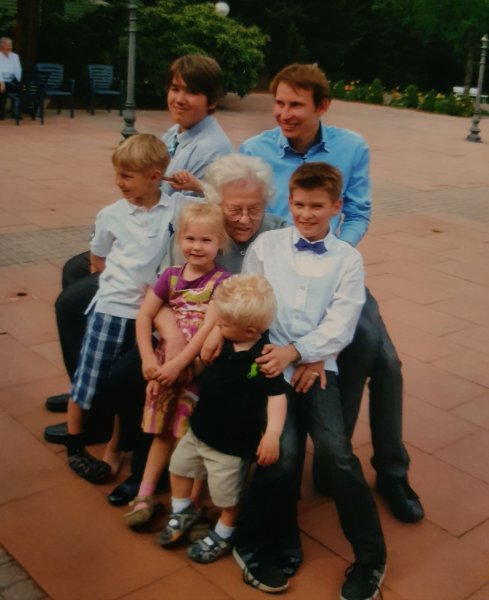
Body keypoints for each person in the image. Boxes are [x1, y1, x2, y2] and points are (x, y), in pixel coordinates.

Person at [240, 62, 424, 525]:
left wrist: (335, 255)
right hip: (278, 275)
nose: (284, 114)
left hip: (332, 267)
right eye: (279, 103)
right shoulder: (254, 150)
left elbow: (358, 211)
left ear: (321, 106)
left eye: (296, 105)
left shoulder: (351, 147)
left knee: (384, 358)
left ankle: (391, 471)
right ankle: (319, 457)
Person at [43, 54, 233, 455]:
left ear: (212, 101)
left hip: (169, 254)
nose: (179, 98)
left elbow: (207, 210)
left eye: (191, 92)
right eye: (175, 89)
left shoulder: (213, 148)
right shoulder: (176, 132)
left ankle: (95, 406)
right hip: (148, 233)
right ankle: (87, 382)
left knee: (71, 302)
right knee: (76, 271)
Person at [233, 162, 386, 600]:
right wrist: (281, 353)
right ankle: (251, 541)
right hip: (269, 364)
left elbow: (343, 320)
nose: (306, 214)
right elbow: (250, 301)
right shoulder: (267, 246)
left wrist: (306, 353)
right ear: (290, 201)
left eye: (317, 206)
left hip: (318, 366)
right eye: (299, 204)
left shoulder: (348, 260)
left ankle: (371, 558)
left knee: (338, 455)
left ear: (336, 207)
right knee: (282, 455)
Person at [110, 153, 289, 507]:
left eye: (254, 209)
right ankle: (143, 466)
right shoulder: (197, 229)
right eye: (235, 209)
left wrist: (216, 333)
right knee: (124, 377)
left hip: (236, 340)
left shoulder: (278, 232)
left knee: (216, 389)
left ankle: (199, 485)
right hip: (179, 333)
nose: (244, 219)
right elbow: (158, 294)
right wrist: (175, 337)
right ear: (216, 203)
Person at [63, 133, 180, 483]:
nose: (119, 182)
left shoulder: (176, 208)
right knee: (88, 377)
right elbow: (98, 259)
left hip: (149, 316)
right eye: (118, 174)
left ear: (155, 176)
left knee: (126, 386)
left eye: (127, 176)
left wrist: (193, 183)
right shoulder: (111, 214)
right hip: (112, 309)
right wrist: (117, 285)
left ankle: (116, 446)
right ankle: (74, 443)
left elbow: (216, 200)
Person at [158, 274, 287, 565]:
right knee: (178, 468)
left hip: (231, 446)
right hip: (199, 430)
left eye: (224, 323)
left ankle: (224, 533)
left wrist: (272, 434)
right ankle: (182, 510)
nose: (217, 324)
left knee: (227, 498)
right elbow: (206, 365)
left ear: (249, 330)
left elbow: (277, 396)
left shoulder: (263, 358)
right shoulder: (223, 340)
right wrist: (188, 370)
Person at [124, 202, 230, 527]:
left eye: (206, 240)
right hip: (164, 367)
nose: (196, 247)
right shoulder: (170, 277)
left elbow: (207, 330)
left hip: (196, 368)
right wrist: (147, 357)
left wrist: (181, 364)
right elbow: (144, 315)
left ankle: (192, 502)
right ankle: (145, 493)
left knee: (191, 438)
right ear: (179, 239)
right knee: (162, 433)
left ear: (220, 243)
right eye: (190, 238)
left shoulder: (222, 282)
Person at [0, 37, 22, 120]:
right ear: (1, 46)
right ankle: (1, 112)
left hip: (11, 81)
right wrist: (1, 82)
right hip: (1, 80)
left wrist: (17, 81)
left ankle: (15, 111)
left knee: (20, 88)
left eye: (11, 45)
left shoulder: (15, 56)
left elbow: (18, 70)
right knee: (2, 88)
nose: (9, 47)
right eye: (7, 45)